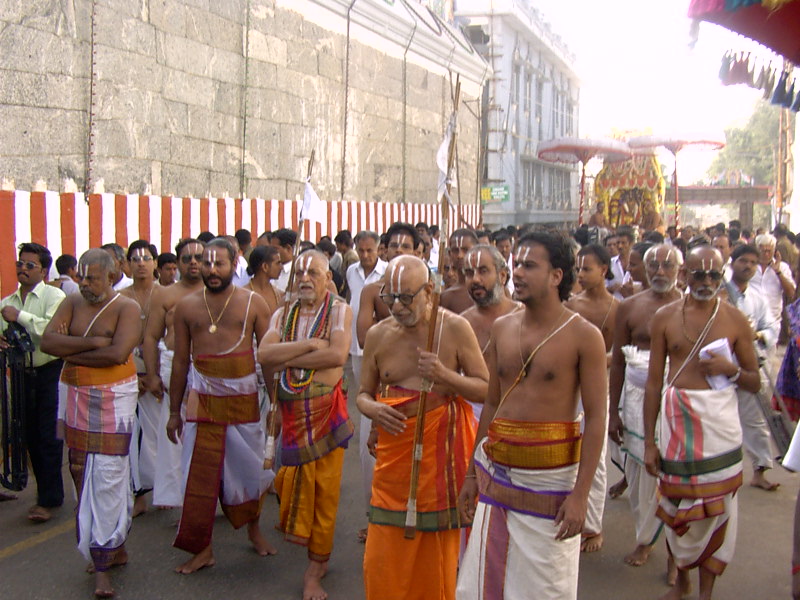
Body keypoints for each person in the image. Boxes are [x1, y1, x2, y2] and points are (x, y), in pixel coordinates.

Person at [456, 231, 607, 600]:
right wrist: (473, 472)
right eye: (516, 264)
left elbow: (597, 417)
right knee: (485, 582)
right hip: (499, 474)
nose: (517, 273)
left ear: (557, 276)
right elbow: (492, 404)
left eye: (529, 265)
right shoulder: (503, 328)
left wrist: (581, 496)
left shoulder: (584, 336)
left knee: (545, 590)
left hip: (551, 484)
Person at [358, 255, 488, 600]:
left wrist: (445, 376)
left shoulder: (455, 328)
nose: (397, 307)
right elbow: (361, 394)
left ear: (430, 291)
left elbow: (487, 389)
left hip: (439, 463)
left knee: (434, 563)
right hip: (393, 466)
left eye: (406, 298)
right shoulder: (378, 334)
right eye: (390, 298)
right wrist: (373, 410)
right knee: (381, 560)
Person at [644, 245, 761, 600]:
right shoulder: (665, 317)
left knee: (719, 507)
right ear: (685, 276)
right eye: (698, 274)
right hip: (677, 424)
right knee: (677, 503)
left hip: (720, 429)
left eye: (714, 274)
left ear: (721, 274)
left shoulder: (735, 320)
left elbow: (754, 381)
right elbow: (653, 382)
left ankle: (705, 593)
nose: (706, 281)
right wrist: (649, 442)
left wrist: (731, 370)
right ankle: (682, 581)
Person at [167, 238, 275, 574]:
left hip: (243, 400)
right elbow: (180, 361)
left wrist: (276, 404)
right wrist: (174, 411)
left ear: (234, 264)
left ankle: (254, 531)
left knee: (250, 473)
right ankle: (203, 549)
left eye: (219, 264)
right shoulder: (186, 306)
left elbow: (269, 359)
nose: (211, 271)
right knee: (199, 479)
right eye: (205, 264)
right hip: (201, 400)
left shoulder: (253, 304)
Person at [41, 249, 141, 598]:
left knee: (110, 477)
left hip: (115, 399)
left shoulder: (127, 307)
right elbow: (48, 342)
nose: (84, 283)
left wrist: (71, 348)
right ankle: (110, 543)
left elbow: (118, 353)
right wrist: (93, 343)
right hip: (75, 396)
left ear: (112, 277)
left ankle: (102, 564)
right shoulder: (72, 301)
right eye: (81, 276)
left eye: (92, 277)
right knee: (80, 471)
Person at [258, 250, 354, 600]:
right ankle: (313, 551)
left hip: (326, 414)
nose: (305, 279)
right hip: (291, 415)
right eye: (299, 273)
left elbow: (337, 355)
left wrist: (289, 354)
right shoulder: (283, 313)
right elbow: (264, 355)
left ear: (328, 278)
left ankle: (316, 568)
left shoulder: (340, 311)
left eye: (313, 272)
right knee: (287, 484)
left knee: (324, 497)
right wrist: (310, 344)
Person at [609, 244, 683, 569]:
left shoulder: (691, 307)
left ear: (681, 270)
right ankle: (645, 540)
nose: (660, 272)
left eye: (668, 265)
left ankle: (674, 553)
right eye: (654, 265)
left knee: (677, 477)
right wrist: (614, 411)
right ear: (643, 268)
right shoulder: (629, 307)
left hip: (679, 405)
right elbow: (618, 365)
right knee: (641, 476)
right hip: (637, 403)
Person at [0, 243, 66, 521]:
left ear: (43, 270)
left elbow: (50, 331)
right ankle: (42, 491)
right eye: (20, 263)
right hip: (20, 374)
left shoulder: (55, 296)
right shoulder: (6, 301)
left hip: (49, 371)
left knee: (48, 436)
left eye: (30, 265)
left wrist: (21, 318)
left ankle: (50, 499)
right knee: (27, 434)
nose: (22, 269)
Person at [141, 238, 205, 509]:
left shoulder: (218, 292)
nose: (193, 262)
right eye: (187, 258)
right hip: (172, 368)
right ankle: (175, 496)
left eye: (199, 258)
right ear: (177, 263)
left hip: (206, 370)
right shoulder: (165, 295)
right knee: (174, 433)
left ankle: (205, 495)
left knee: (205, 436)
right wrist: (153, 375)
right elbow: (151, 336)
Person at [564, 243, 620, 553]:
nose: (581, 274)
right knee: (571, 449)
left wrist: (596, 360)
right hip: (571, 387)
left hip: (599, 386)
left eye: (587, 268)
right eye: (579, 268)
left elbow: (619, 356)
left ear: (604, 270)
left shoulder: (617, 308)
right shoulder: (571, 304)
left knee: (596, 457)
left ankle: (593, 526)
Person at [724, 244, 780, 491]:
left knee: (755, 420)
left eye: (752, 263)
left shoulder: (757, 298)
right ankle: (723, 471)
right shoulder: (720, 293)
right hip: (720, 367)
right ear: (732, 263)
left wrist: (755, 335)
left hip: (749, 365)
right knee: (720, 419)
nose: (747, 266)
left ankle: (760, 469)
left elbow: (772, 327)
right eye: (742, 261)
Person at [345, 230, 386, 542]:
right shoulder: (351, 272)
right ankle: (373, 514)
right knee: (368, 424)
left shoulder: (390, 275)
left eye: (370, 251)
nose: (365, 256)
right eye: (361, 251)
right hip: (359, 354)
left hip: (388, 358)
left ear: (379, 250)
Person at [119, 240, 160, 517]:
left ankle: (168, 489)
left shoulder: (167, 295)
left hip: (161, 375)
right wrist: (135, 375)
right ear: (127, 265)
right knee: (132, 439)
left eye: (146, 258)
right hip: (129, 374)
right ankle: (139, 494)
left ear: (155, 263)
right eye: (135, 259)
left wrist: (155, 375)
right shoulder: (120, 297)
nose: (141, 263)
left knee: (163, 438)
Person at [460, 244, 520, 422]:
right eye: (469, 273)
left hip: (515, 415)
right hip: (470, 416)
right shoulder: (460, 323)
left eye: (483, 271)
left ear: (502, 276)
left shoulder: (524, 317)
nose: (475, 279)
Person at [440, 228, 479, 314]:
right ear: (450, 254)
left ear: (476, 251)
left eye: (465, 250)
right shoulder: (447, 297)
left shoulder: (493, 288)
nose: (460, 255)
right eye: (455, 250)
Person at [246, 245, 283, 316]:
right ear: (265, 267)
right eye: (278, 263)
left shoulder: (280, 295)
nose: (281, 267)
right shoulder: (244, 295)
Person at [607, 226, 634, 299]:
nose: (620, 246)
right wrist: (611, 288)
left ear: (631, 243)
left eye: (623, 243)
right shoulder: (610, 264)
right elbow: (602, 288)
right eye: (618, 243)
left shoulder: (638, 264)